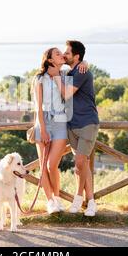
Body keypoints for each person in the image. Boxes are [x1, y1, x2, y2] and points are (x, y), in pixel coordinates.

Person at [47, 40, 100, 217]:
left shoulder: (82, 72)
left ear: (76, 56)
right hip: (72, 124)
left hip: (87, 123)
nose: (64, 54)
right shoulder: (70, 71)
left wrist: (55, 77)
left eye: (67, 52)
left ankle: (78, 198)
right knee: (82, 164)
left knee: (79, 162)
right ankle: (91, 202)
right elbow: (50, 68)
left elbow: (67, 93)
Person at [32, 47, 88, 214]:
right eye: (57, 54)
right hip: (42, 122)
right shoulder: (39, 79)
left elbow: (80, 69)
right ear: (50, 60)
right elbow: (38, 107)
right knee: (43, 166)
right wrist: (42, 129)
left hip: (60, 122)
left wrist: (85, 62)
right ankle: (51, 202)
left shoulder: (65, 75)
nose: (62, 55)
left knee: (52, 165)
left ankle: (57, 198)